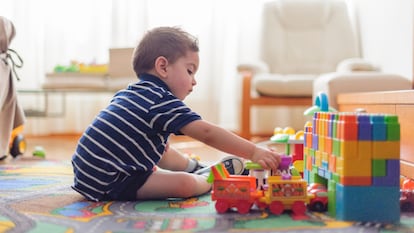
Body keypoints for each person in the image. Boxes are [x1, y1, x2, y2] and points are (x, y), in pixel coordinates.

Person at [71, 26, 281, 202]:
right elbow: (206, 132)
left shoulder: (131, 92)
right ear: (163, 67)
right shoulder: (159, 100)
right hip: (111, 180)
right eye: (190, 71)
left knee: (163, 151)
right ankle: (210, 176)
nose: (194, 81)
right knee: (185, 185)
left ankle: (196, 167)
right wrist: (254, 152)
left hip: (85, 175)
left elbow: (156, 151)